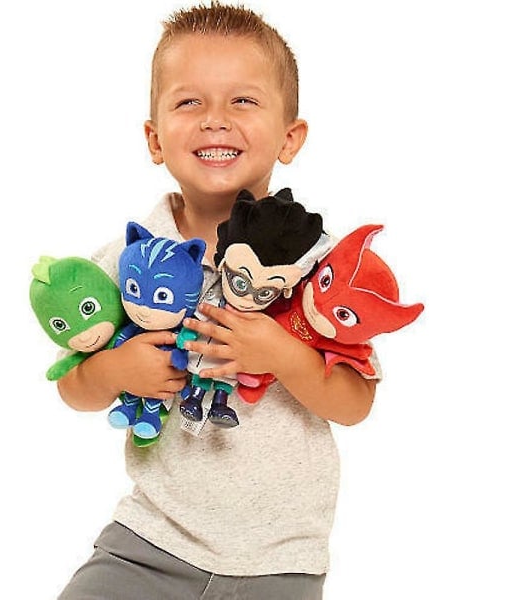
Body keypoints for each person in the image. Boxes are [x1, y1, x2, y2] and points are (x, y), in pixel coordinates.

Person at [56, 3, 378, 599]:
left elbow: (356, 402)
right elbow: (72, 387)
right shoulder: (130, 258)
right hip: (150, 543)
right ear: (155, 139)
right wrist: (115, 369)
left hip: (281, 562)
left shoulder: (317, 267)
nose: (215, 121)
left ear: (290, 138)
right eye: (189, 102)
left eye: (243, 101)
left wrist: (283, 354)